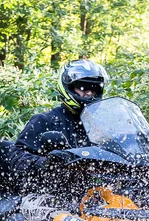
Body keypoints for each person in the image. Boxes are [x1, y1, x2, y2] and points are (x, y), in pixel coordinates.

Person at [8, 59, 109, 193]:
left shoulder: (101, 125)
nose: (89, 93)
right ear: (69, 87)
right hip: (48, 195)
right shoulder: (45, 120)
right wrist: (48, 163)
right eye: (83, 87)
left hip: (90, 195)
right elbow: (16, 159)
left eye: (94, 88)